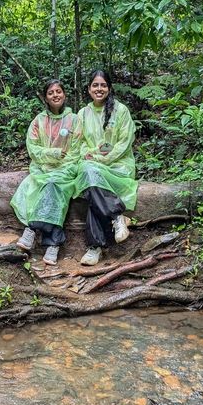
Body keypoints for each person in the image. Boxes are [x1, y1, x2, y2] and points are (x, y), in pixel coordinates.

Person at [10, 79, 79, 265]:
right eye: (51, 93)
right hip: (42, 168)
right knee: (48, 184)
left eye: (58, 91)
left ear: (64, 95)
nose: (55, 95)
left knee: (54, 184)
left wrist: (62, 163)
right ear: (46, 98)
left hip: (67, 169)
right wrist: (53, 154)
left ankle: (31, 230)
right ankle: (53, 244)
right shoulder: (38, 121)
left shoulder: (74, 120)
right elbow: (33, 148)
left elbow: (78, 149)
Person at [74, 69, 138, 266]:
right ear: (89, 89)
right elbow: (79, 142)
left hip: (117, 165)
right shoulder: (83, 114)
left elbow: (123, 142)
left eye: (103, 85)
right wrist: (91, 154)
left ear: (109, 88)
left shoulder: (121, 111)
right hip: (91, 164)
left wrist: (101, 158)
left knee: (92, 177)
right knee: (89, 173)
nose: (99, 89)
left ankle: (95, 247)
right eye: (95, 85)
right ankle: (116, 215)